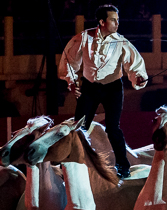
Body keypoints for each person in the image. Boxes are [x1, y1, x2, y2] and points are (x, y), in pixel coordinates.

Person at [59, 4, 148, 178]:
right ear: (102, 22)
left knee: (113, 128)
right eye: (113, 20)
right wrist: (72, 82)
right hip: (89, 87)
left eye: (117, 20)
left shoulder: (121, 41)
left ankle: (123, 165)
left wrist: (138, 77)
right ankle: (70, 165)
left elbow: (134, 63)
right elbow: (69, 61)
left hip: (113, 88)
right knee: (79, 127)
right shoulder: (83, 38)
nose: (117, 23)